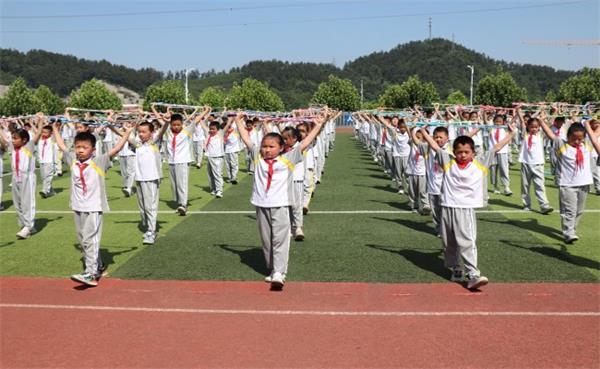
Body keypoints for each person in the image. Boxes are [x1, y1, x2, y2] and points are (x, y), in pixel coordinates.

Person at [235, 110, 329, 290]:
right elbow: (246, 139)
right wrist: (239, 122)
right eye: (264, 146)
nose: (267, 150)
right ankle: (272, 268)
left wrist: (317, 125)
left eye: (271, 147)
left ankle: (280, 272)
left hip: (280, 205)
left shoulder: (288, 159)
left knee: (280, 239)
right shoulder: (258, 157)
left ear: (281, 147)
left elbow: (304, 143)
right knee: (266, 240)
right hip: (261, 204)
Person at [419, 121, 516, 290]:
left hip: (465, 208)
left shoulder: (479, 162)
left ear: (473, 152)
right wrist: (424, 132)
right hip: (447, 206)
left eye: (466, 152)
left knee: (467, 241)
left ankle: (473, 274)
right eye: (459, 152)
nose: (463, 155)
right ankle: (456, 269)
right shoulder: (448, 161)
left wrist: (512, 134)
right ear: (454, 152)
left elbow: (495, 148)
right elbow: (434, 146)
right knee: (449, 241)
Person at [52, 120, 134, 286]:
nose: (80, 150)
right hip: (77, 206)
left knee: (91, 239)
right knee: (83, 241)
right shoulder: (73, 160)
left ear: (93, 150)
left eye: (85, 147)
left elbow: (116, 149)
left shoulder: (99, 161)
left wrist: (126, 133)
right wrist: (54, 128)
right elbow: (61, 145)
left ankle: (91, 273)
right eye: (78, 147)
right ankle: (100, 266)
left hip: (93, 207)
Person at [540, 113, 596, 243]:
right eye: (573, 138)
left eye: (579, 139)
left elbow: (594, 135)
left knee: (579, 211)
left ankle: (572, 229)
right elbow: (550, 134)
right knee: (569, 210)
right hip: (567, 184)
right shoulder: (562, 145)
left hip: (584, 183)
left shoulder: (586, 145)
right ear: (567, 136)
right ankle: (568, 233)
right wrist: (541, 122)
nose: (577, 141)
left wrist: (588, 122)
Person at [10, 114, 44, 239]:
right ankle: (26, 225)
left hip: (27, 178)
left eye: (15, 138)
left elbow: (39, 133)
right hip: (15, 177)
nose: (13, 140)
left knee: (27, 202)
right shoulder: (13, 148)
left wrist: (40, 120)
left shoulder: (28, 146)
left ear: (24, 140)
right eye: (12, 138)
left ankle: (28, 226)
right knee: (17, 203)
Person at [515, 109, 553, 214]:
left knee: (539, 185)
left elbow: (548, 125)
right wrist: (519, 113)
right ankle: (526, 205)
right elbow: (522, 123)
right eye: (532, 127)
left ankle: (544, 205)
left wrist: (546, 114)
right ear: (528, 127)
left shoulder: (540, 135)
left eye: (536, 127)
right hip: (526, 163)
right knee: (525, 186)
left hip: (538, 164)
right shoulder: (525, 135)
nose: (534, 129)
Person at [37, 124, 57, 198]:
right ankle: (51, 191)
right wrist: (41, 121)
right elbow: (38, 131)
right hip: (42, 161)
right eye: (43, 132)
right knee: (43, 177)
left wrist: (51, 124)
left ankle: (45, 191)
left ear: (50, 133)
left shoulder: (52, 139)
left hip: (49, 161)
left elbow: (55, 134)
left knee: (48, 176)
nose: (43, 134)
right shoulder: (40, 139)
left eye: (46, 132)